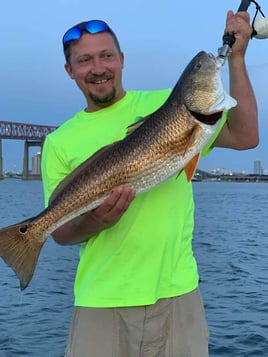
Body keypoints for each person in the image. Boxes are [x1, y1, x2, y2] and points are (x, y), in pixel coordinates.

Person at [41, 10, 258, 357]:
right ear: (70, 71)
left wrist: (237, 59)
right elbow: (59, 233)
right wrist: (98, 220)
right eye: (84, 60)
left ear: (122, 60)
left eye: (107, 55)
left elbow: (247, 136)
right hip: (101, 304)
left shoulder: (167, 105)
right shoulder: (57, 143)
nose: (98, 67)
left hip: (179, 296)